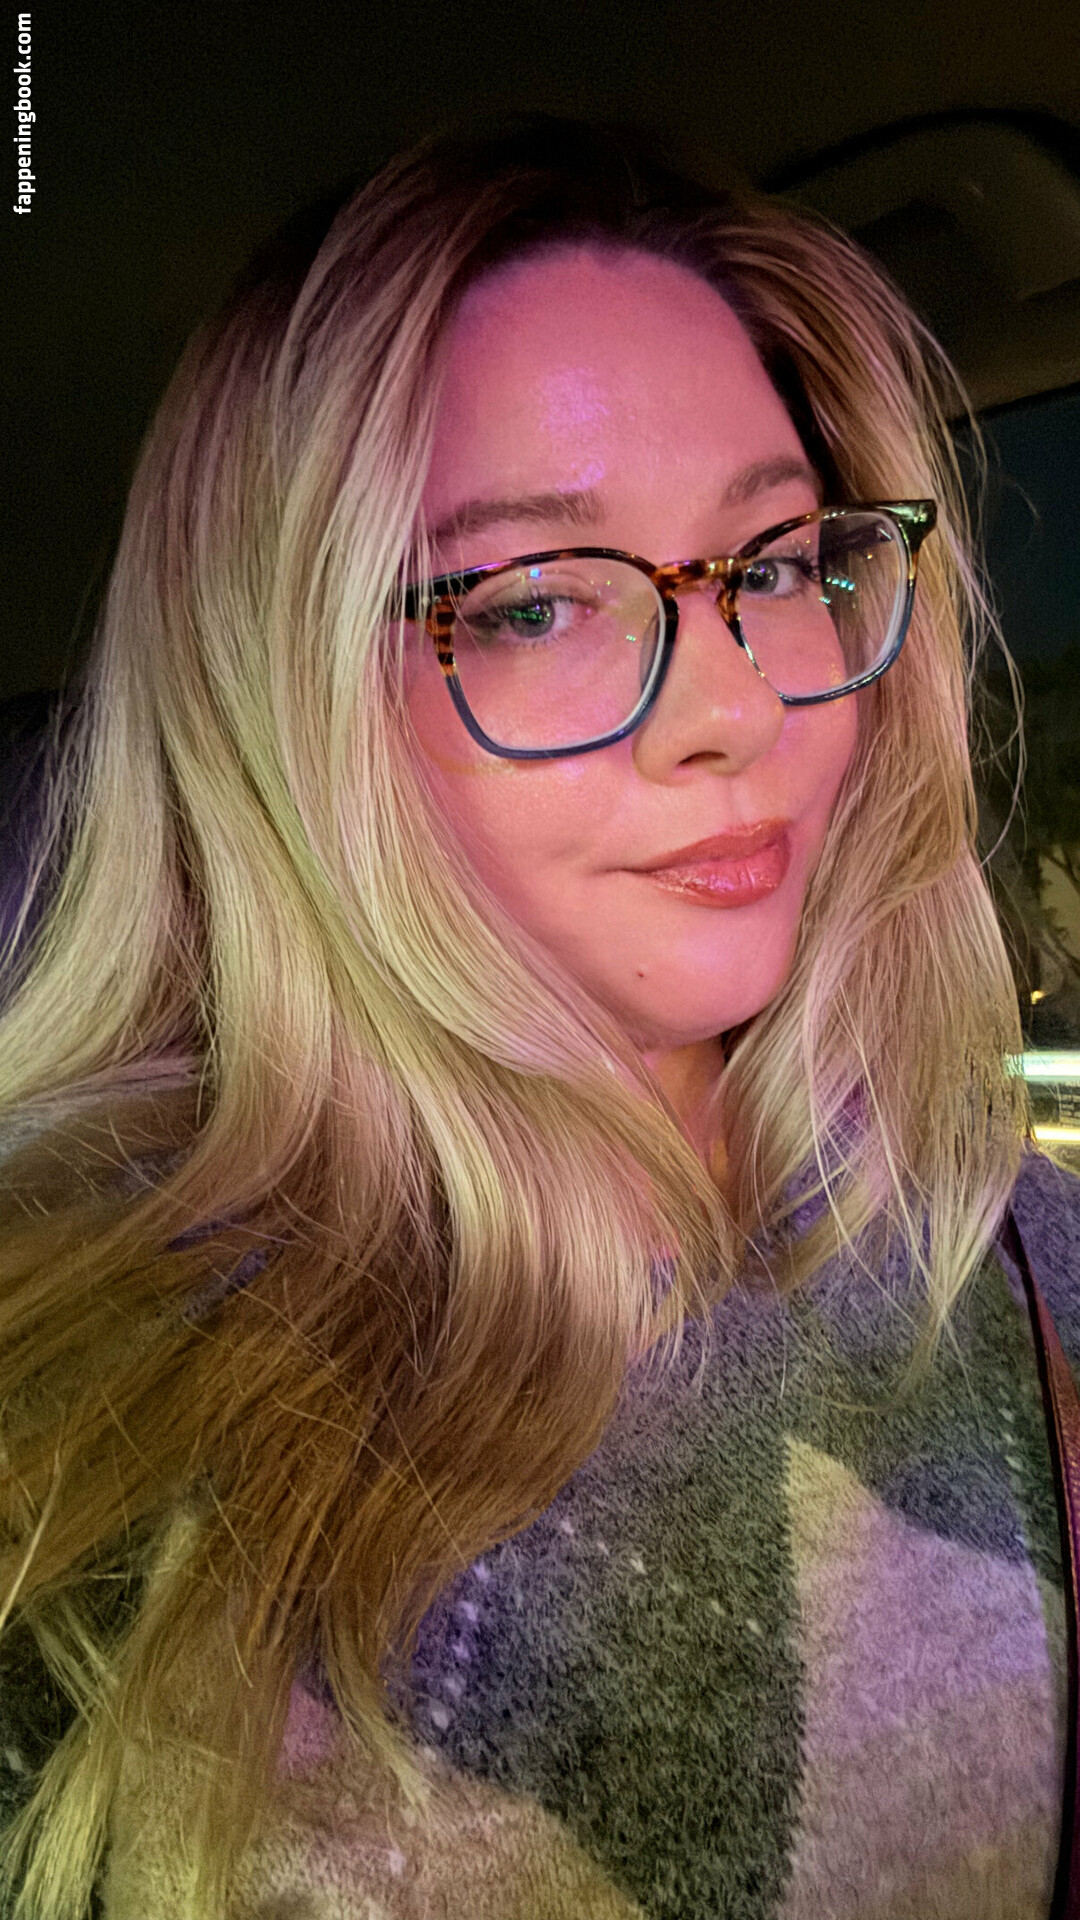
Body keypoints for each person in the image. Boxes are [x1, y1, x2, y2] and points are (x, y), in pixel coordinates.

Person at [0, 114, 1077, 1920]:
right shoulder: (81, 1440)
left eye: (776, 562)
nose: (734, 710)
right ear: (281, 698)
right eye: (535, 604)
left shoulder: (1017, 1247)